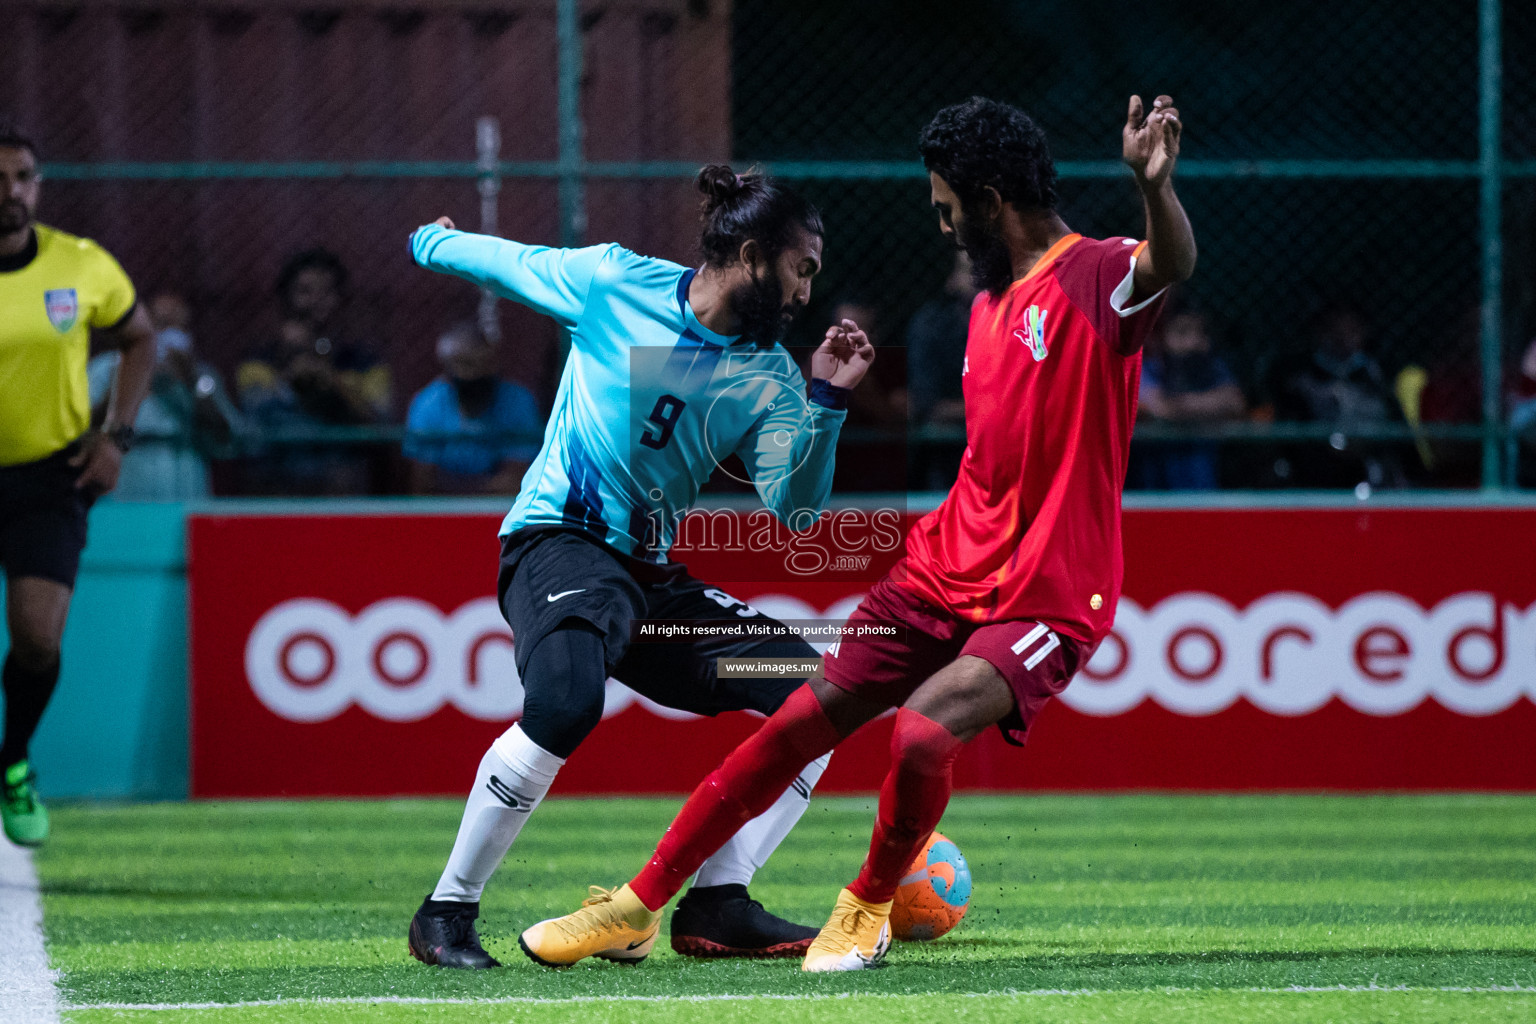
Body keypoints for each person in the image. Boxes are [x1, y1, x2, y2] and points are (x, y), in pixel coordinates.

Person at [519, 93, 1195, 972]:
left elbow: (1168, 261)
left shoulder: (1095, 272)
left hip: (1050, 593)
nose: (942, 221)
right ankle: (637, 905)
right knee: (793, 723)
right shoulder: (988, 307)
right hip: (940, 570)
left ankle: (867, 905)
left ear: (988, 198)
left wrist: (1155, 189)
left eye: (947, 204)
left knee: (920, 733)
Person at [404, 164, 874, 968]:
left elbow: (794, 509)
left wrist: (825, 405)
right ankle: (445, 913)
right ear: (755, 254)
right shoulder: (616, 282)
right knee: (564, 703)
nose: (806, 292)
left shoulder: (766, 372)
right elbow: (510, 263)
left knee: (822, 701)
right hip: (560, 542)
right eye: (803, 268)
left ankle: (719, 905)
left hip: (650, 580)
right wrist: (434, 242)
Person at [0, 124, 156, 845]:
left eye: (22, 176)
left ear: (37, 182)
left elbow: (139, 338)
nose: (11, 192)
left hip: (48, 476)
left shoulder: (81, 265)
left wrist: (115, 435)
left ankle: (13, 761)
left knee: (36, 640)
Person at [237, 248, 390, 494]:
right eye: (305, 291)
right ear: (287, 298)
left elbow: (380, 427)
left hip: (342, 487)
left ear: (340, 298)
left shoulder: (364, 363)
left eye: (326, 291)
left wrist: (331, 384)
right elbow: (255, 425)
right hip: (279, 487)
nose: (316, 300)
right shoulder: (260, 363)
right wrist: (288, 373)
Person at [87, 292, 243, 500]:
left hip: (184, 476)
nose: (167, 333)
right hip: (129, 472)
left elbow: (228, 436)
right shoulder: (108, 367)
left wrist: (191, 380)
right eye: (160, 323)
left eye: (176, 326)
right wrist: (127, 382)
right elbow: (81, 430)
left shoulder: (201, 375)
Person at [403, 321, 541, 495]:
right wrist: (484, 487)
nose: (474, 373)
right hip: (443, 512)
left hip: (499, 512)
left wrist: (455, 488)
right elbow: (423, 484)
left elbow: (515, 482)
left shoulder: (518, 402)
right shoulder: (428, 404)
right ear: (447, 367)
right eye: (465, 364)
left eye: (483, 363)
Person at [1131, 298, 1244, 490]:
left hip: (1203, 486)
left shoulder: (1211, 368)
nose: (1193, 342)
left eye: (1200, 333)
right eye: (1182, 332)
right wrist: (1205, 408)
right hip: (1151, 487)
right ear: (1160, 337)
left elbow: (1235, 403)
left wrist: (1179, 405)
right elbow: (1156, 408)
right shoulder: (1148, 368)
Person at [906, 251, 976, 489]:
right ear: (953, 278)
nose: (980, 277)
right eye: (970, 269)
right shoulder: (931, 325)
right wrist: (994, 408)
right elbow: (928, 406)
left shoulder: (1015, 321)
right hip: (944, 459)